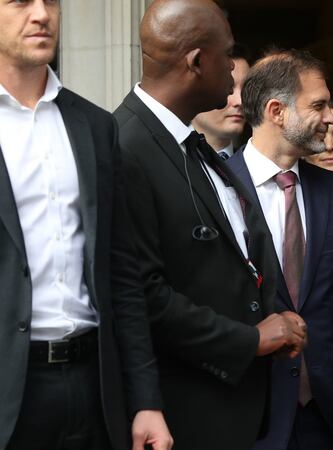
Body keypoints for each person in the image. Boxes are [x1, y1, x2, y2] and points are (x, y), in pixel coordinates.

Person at [113, 1, 307, 449]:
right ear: (198, 62)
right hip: (184, 416)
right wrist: (250, 340)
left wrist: (273, 317)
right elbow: (142, 292)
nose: (236, 69)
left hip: (233, 410)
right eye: (228, 53)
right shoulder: (125, 145)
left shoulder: (187, 142)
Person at [0, 0, 173, 449]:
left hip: (94, 383)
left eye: (51, 1)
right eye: (19, 1)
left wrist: (146, 400)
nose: (41, 14)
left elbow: (122, 272)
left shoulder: (94, 125)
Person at [229, 49, 333, 450]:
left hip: (332, 419)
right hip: (253, 419)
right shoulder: (217, 188)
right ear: (277, 111)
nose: (330, 117)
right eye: (319, 105)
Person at [192, 44, 250, 159]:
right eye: (228, 86)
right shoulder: (170, 161)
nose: (240, 101)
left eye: (247, 89)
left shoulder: (255, 168)